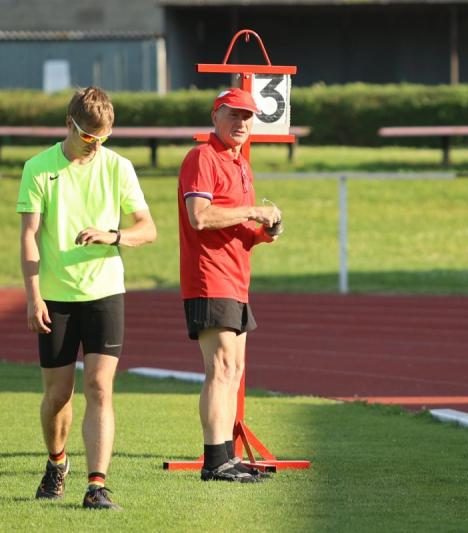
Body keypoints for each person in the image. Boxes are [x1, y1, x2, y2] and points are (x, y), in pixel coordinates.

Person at [18, 86, 157, 509]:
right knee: (58, 395)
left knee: (99, 387)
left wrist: (113, 235)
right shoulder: (38, 168)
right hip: (56, 297)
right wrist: (34, 296)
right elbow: (29, 236)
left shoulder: (119, 167)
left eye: (104, 137)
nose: (96, 145)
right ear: (69, 124)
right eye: (88, 136)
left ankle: (97, 486)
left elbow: (147, 228)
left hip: (105, 291)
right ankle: (57, 462)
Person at [177, 88, 282, 482]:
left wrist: (265, 232)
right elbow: (200, 217)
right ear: (215, 116)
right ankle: (214, 461)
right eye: (233, 114)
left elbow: (239, 229)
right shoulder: (202, 157)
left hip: (236, 278)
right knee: (220, 368)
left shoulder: (241, 165)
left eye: (248, 116)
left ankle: (226, 457)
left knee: (234, 369)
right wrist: (254, 211)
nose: (241, 122)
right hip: (210, 276)